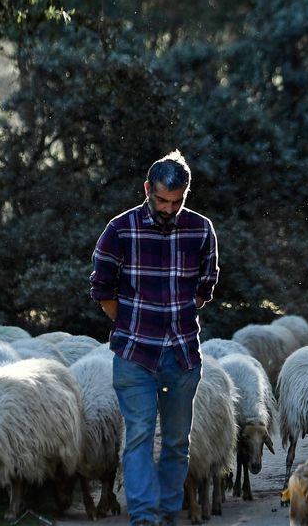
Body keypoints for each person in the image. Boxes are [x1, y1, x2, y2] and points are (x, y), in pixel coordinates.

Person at [89, 150, 219, 526]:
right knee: (139, 434)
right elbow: (102, 289)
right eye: (162, 200)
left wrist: (175, 315)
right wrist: (132, 323)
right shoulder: (120, 230)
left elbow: (205, 288)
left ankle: (167, 513)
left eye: (177, 201)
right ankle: (144, 517)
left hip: (182, 354)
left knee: (177, 440)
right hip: (134, 354)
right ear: (148, 189)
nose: (168, 209)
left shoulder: (200, 229)